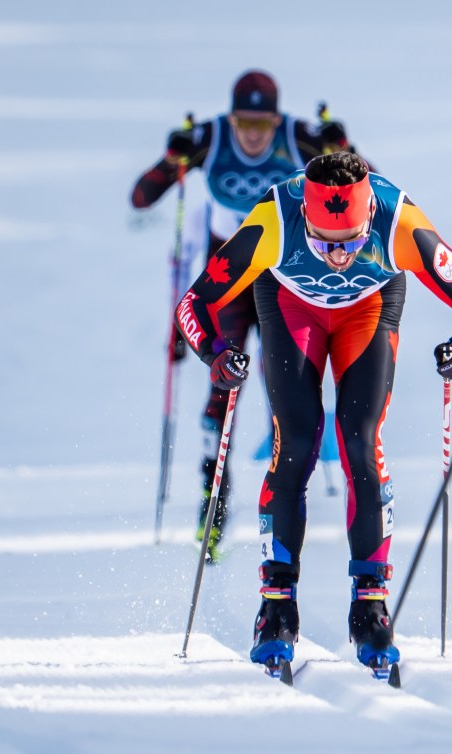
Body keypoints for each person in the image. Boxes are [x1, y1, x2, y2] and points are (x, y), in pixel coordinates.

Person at [174, 151, 452, 677]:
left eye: (352, 243)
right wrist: (216, 355)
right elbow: (192, 306)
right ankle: (276, 605)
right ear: (305, 219)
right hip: (291, 305)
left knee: (360, 442)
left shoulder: (398, 221)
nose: (337, 256)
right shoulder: (271, 220)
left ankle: (371, 603)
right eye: (324, 243)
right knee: (297, 445)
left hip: (369, 309)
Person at [131, 70, 362, 561]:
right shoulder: (210, 139)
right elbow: (142, 197)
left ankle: (286, 496)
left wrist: (341, 146)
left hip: (282, 275)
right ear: (231, 116)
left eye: (262, 122)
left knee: (286, 385)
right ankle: (211, 501)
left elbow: (367, 192)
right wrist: (174, 158)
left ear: (276, 118)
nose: (253, 133)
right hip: (229, 274)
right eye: (244, 121)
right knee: (224, 382)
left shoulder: (299, 137)